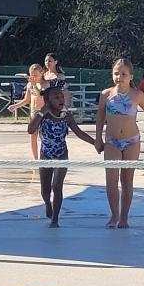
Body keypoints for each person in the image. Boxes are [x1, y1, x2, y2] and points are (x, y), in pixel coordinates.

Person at [95, 58, 144, 229]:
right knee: (111, 180)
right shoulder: (106, 95)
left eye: (123, 74)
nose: (119, 77)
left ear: (130, 76)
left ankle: (124, 217)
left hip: (132, 141)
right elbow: (100, 117)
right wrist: (98, 138)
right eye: (116, 73)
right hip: (112, 141)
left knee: (127, 181)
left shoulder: (137, 95)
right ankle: (114, 215)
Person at [28, 85, 96, 227]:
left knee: (57, 186)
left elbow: (79, 132)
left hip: (61, 154)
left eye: (62, 97)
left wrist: (96, 143)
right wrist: (41, 113)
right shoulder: (42, 115)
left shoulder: (66, 116)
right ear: (47, 100)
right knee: (45, 189)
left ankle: (55, 219)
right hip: (45, 155)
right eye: (56, 97)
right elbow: (31, 130)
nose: (61, 99)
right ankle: (47, 203)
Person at [9, 63, 48, 161]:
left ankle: (45, 157)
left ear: (41, 73)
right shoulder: (30, 84)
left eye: (36, 75)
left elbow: (41, 95)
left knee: (44, 136)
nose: (33, 77)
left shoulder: (45, 84)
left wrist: (35, 85)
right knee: (33, 135)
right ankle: (35, 158)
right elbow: (27, 100)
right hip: (33, 112)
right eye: (32, 75)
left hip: (44, 113)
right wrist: (15, 106)